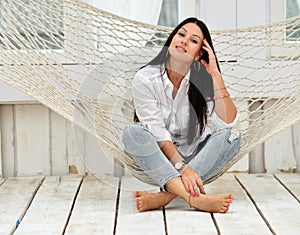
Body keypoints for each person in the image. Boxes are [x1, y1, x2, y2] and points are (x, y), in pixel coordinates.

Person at [122, 17, 241, 213]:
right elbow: (157, 132)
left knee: (233, 137)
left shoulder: (202, 81)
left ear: (199, 54)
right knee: (132, 133)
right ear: (171, 40)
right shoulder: (145, 78)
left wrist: (216, 75)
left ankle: (165, 196)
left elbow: (228, 123)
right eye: (181, 34)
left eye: (193, 40)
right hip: (158, 157)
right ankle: (193, 199)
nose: (184, 41)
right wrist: (183, 168)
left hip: (194, 155)